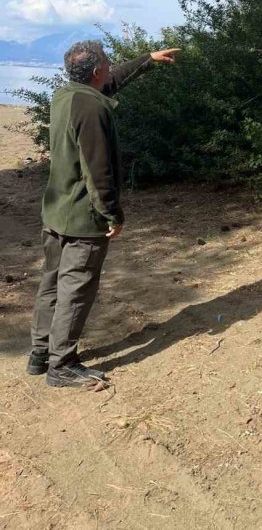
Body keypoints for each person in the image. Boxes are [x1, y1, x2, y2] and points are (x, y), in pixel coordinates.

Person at [28, 40, 180, 387]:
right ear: (97, 71)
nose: (111, 69)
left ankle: (40, 353)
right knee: (75, 290)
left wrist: (148, 60)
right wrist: (112, 214)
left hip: (55, 213)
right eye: (108, 65)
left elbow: (108, 84)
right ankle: (61, 365)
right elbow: (98, 171)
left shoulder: (66, 95)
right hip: (84, 218)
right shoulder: (93, 109)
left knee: (51, 283)